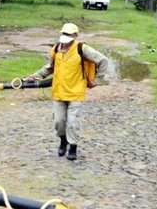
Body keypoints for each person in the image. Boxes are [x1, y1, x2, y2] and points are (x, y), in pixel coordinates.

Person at [25, 23, 109, 161]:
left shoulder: (82, 48)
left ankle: (73, 147)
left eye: (70, 35)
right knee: (59, 122)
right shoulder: (57, 48)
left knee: (72, 122)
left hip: (75, 92)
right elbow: (49, 68)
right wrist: (34, 76)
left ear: (75, 36)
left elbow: (102, 60)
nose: (66, 37)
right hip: (58, 91)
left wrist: (97, 80)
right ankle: (63, 141)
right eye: (65, 34)